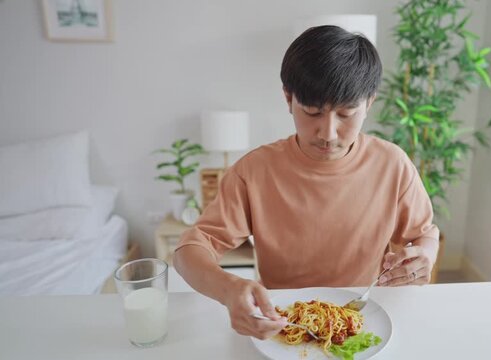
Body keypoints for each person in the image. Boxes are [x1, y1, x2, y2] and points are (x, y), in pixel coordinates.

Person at [174, 25, 439, 340]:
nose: (327, 133)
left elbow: (424, 236)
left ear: (369, 103)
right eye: (313, 112)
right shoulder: (254, 171)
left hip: (363, 321)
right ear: (288, 98)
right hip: (280, 325)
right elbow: (188, 252)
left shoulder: (393, 165)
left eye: (346, 113)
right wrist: (228, 289)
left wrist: (424, 256)